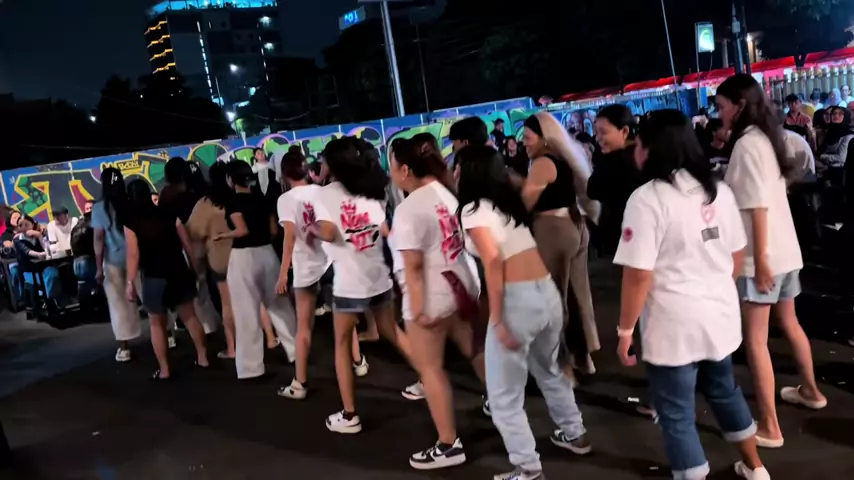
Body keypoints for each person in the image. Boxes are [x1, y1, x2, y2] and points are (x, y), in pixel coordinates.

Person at [614, 109, 769, 480]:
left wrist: (624, 331)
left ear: (652, 148)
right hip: (719, 316)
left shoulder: (647, 199)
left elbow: (638, 275)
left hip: (673, 324)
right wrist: (711, 288)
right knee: (725, 391)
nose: (636, 150)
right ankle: (756, 467)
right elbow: (736, 255)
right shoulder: (719, 191)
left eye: (639, 143)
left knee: (676, 412)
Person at [456, 145, 591, 480]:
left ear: (468, 172)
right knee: (550, 369)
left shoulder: (473, 210)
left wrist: (498, 317)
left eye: (456, 167)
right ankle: (575, 433)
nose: (453, 173)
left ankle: (528, 468)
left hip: (517, 300)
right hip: (545, 292)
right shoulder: (508, 204)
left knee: (504, 396)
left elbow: (492, 261)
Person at [717, 73, 827, 448]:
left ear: (739, 105)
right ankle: (810, 390)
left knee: (756, 341)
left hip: (761, 257)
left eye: (722, 106)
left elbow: (756, 206)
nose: (719, 113)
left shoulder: (748, 144)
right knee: (790, 322)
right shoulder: (767, 138)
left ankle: (769, 426)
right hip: (786, 251)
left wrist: (760, 260)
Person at [389, 135, 486, 470]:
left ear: (404, 169)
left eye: (392, 165)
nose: (390, 172)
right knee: (475, 351)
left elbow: (413, 266)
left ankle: (448, 443)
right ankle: (506, 409)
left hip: (433, 295)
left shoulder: (408, 208)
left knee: (431, 369)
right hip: (462, 283)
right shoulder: (444, 190)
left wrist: (417, 309)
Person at [309, 136, 415, 434]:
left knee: (342, 344)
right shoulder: (372, 190)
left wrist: (311, 228)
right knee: (394, 333)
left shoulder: (325, 194)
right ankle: (431, 379)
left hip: (348, 281)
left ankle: (350, 414)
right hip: (377, 275)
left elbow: (329, 233)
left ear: (332, 164)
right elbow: (383, 229)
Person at [275, 149, 368, 400]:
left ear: (284, 174)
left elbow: (289, 238)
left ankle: (300, 383)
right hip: (331, 262)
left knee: (304, 328)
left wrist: (283, 273)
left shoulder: (285, 200)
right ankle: (358, 361)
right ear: (307, 170)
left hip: (305, 269)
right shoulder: (321, 191)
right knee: (345, 319)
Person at [521, 112, 600, 376]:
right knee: (578, 296)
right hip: (575, 226)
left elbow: (525, 203)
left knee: (554, 299)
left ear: (544, 138)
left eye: (528, 137)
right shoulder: (565, 159)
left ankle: (561, 362)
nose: (524, 142)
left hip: (552, 230)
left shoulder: (542, 163)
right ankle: (583, 356)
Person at [216, 160, 297, 380]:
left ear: (230, 180)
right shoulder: (261, 199)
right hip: (267, 253)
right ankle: (296, 351)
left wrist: (223, 236)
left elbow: (241, 230)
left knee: (246, 311)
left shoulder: (232, 202)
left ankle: (251, 368)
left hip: (243, 257)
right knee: (279, 305)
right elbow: (273, 230)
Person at [124, 179, 209, 379]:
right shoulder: (169, 213)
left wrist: (130, 282)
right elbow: (186, 242)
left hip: (153, 276)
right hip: (178, 271)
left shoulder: (131, 222)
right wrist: (194, 266)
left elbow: (133, 254)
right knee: (190, 316)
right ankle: (203, 357)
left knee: (156, 323)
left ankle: (164, 369)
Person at [187, 162, 237, 360]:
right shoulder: (238, 196)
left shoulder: (206, 204)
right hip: (246, 255)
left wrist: (197, 262)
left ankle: (233, 347)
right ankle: (266, 338)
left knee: (228, 304)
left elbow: (194, 232)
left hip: (220, 260)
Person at [92, 168, 144, 362]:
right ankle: (168, 334)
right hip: (137, 258)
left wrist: (99, 268)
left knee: (118, 306)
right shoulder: (131, 202)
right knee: (149, 298)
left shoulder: (99, 208)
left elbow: (99, 239)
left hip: (113, 261)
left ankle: (124, 348)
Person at [588, 104, 645, 255]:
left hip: (628, 239)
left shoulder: (617, 161)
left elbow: (592, 189)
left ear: (624, 131)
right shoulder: (636, 154)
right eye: (596, 132)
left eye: (603, 132)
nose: (597, 138)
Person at [13, 215, 64, 310]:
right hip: (30, 270)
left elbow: (47, 249)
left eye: (26, 224)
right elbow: (27, 251)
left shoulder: (38, 235)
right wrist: (39, 254)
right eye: (20, 225)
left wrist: (39, 236)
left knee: (53, 274)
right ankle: (50, 303)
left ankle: (51, 300)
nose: (24, 228)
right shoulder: (17, 240)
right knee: (42, 281)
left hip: (43, 267)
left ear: (33, 224)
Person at [71, 200, 97, 305]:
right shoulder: (93, 222)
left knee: (83, 285)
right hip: (88, 261)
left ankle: (85, 308)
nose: (90, 210)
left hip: (77, 261)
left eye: (91, 208)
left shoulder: (78, 224)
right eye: (88, 208)